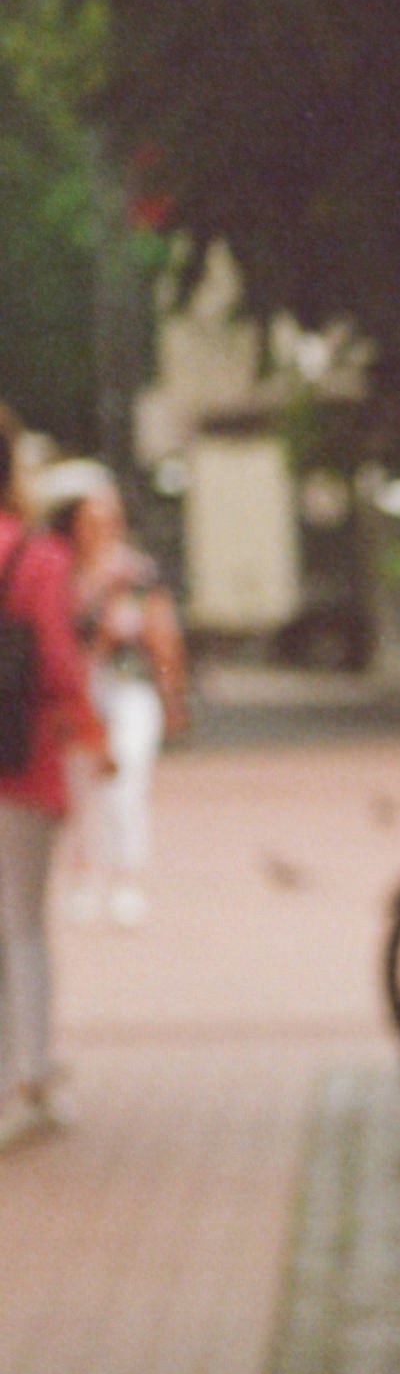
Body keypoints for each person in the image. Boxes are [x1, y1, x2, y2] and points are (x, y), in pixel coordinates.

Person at [50, 468, 185, 926]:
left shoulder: (138, 571)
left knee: (126, 784)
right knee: (78, 787)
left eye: (110, 520)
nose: (102, 530)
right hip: (78, 690)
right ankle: (83, 874)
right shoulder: (60, 571)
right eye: (92, 520)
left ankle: (127, 878)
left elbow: (163, 636)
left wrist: (172, 695)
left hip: (130, 689)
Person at [0, 442, 87, 1140]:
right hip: (25, 763)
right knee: (23, 925)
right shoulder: (39, 556)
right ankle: (29, 1074)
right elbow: (60, 668)